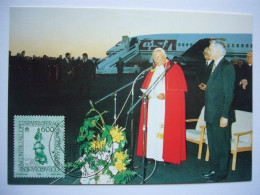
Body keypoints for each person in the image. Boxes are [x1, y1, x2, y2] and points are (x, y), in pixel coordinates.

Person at [136, 48, 187, 165]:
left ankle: (165, 156)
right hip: (153, 105)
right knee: (152, 128)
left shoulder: (174, 68)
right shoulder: (152, 70)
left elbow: (177, 92)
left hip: (166, 107)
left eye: (159, 57)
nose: (156, 59)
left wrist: (166, 96)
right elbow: (147, 85)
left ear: (165, 56)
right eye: (154, 57)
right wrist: (147, 94)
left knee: (163, 130)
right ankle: (151, 154)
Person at [202, 40, 235, 182]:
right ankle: (213, 169)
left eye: (210, 49)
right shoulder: (213, 66)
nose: (208, 51)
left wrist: (225, 115)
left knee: (221, 145)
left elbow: (229, 94)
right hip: (211, 113)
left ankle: (221, 173)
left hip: (221, 114)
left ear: (218, 50)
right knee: (213, 144)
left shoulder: (227, 67)